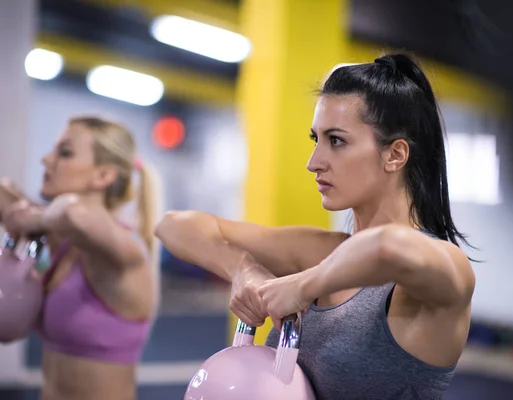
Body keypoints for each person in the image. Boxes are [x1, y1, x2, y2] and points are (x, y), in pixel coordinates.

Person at [155, 53, 476, 400]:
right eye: (316, 140)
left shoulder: (446, 271)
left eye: (336, 141)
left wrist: (304, 285)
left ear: (395, 154)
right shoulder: (319, 251)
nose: (313, 163)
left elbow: (388, 247)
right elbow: (173, 226)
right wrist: (244, 271)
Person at [0, 116, 161, 400]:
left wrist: (31, 218)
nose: (46, 160)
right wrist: (27, 215)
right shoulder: (61, 238)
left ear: (103, 176)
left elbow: (71, 214)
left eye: (64, 153)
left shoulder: (124, 251)